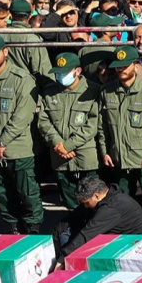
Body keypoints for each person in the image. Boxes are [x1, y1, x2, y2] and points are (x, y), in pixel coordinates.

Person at [100, 44, 142, 230]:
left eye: (125, 65)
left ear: (136, 65)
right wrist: (105, 151)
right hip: (118, 156)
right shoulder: (107, 92)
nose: (120, 69)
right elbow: (102, 127)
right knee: (123, 196)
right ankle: (128, 228)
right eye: (118, 66)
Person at [36, 52, 104, 213]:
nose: (60, 76)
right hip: (59, 156)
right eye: (58, 73)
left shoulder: (93, 91)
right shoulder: (50, 92)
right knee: (69, 200)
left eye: (64, 73)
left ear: (78, 71)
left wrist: (68, 145)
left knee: (93, 199)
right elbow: (43, 121)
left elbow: (93, 124)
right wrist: (58, 143)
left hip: (85, 156)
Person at [0, 33, 42, 235]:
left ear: (6, 52)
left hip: (18, 149)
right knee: (1, 193)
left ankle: (34, 228)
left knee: (27, 192)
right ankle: (13, 227)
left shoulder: (22, 79)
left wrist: (1, 142)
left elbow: (22, 116)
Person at [57, 175, 142, 261]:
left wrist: (62, 259)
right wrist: (53, 235)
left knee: (68, 238)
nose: (85, 206)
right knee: (67, 231)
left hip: (129, 244)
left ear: (96, 195)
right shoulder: (108, 193)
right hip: (117, 235)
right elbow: (75, 215)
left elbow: (87, 233)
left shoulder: (110, 208)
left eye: (86, 202)